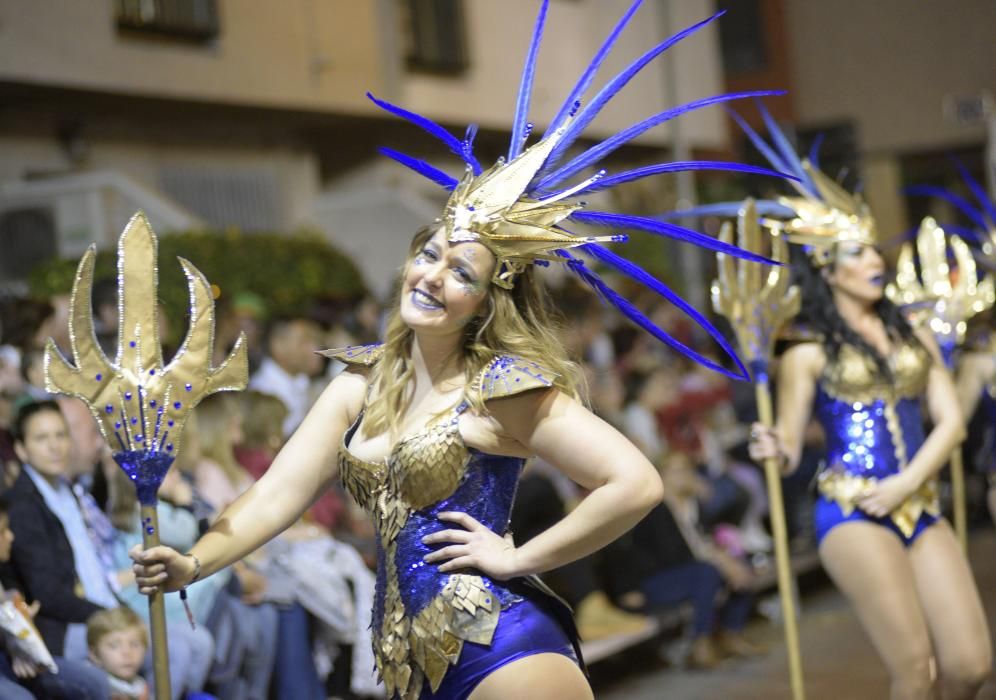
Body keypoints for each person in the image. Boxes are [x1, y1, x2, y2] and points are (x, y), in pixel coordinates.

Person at [129, 4, 794, 699]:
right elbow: (273, 499)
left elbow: (636, 484)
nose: (433, 276)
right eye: (431, 255)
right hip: (409, 663)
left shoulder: (502, 386)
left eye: (461, 273)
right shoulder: (362, 382)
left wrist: (519, 557)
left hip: (502, 647)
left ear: (485, 301)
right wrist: (193, 562)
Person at [739, 114, 992, 699]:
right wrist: (772, 446)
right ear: (827, 268)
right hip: (852, 509)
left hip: (916, 497)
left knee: (971, 666)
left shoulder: (912, 333)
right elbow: (789, 444)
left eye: (872, 247)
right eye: (855, 252)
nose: (873, 260)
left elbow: (951, 422)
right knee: (915, 670)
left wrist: (908, 483)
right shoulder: (804, 354)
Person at [0, 493, 111, 700]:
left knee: (93, 682)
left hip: (16, 658)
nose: (11, 537)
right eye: (3, 531)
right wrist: (11, 634)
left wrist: (18, 623)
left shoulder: (4, 574)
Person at [87, 607, 149, 700]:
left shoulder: (141, 687)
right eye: (114, 646)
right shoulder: (91, 687)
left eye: (134, 644)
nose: (127, 652)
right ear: (95, 654)